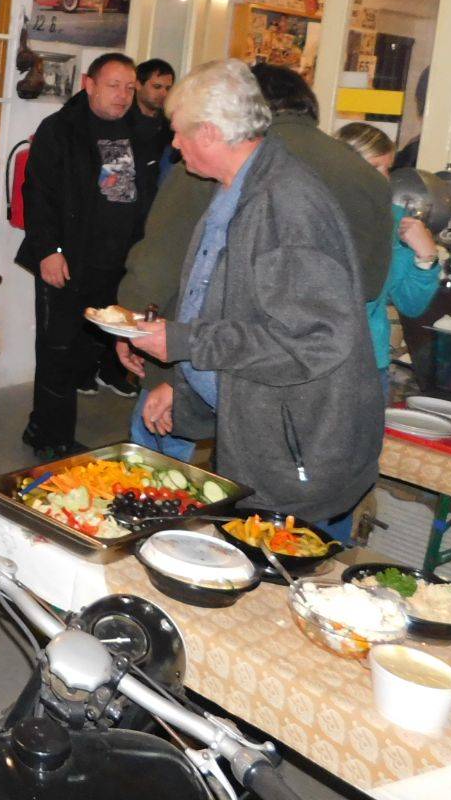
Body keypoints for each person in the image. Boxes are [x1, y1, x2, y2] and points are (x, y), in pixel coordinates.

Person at [131, 60, 381, 539]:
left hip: (296, 448)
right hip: (255, 421)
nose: (174, 144)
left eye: (179, 132)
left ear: (209, 132)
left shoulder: (286, 204)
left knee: (282, 575)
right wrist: (182, 386)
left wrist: (186, 343)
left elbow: (315, 340)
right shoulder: (236, 188)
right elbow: (218, 304)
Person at [16, 52, 158, 459]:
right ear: (89, 84)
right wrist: (49, 251)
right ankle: (52, 438)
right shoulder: (60, 129)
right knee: (58, 350)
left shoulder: (141, 131)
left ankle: (41, 424)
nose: (123, 95)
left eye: (129, 87)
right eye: (113, 86)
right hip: (68, 259)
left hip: (119, 263)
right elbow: (37, 194)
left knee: (90, 350)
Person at [334, 122, 442, 398]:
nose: (383, 178)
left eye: (387, 168)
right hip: (319, 361)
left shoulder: (396, 220)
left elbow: (411, 304)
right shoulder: (316, 215)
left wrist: (426, 255)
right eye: (373, 168)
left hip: (371, 364)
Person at [133, 58, 176, 178]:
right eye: (157, 87)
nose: (164, 94)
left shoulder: (172, 125)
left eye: (168, 88)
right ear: (138, 85)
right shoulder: (120, 119)